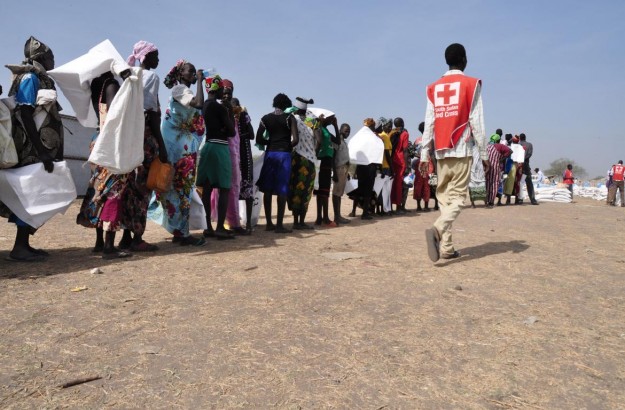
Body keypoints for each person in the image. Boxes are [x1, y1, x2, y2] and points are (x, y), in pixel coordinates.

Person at [420, 43, 489, 262]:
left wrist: (424, 155)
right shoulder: (470, 84)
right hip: (460, 148)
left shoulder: (434, 87)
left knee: (444, 200)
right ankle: (438, 230)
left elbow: (429, 122)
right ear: (463, 60)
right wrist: (484, 154)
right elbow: (476, 121)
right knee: (459, 198)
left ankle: (447, 248)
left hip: (440, 151)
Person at [1, 37, 63, 261]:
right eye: (50, 56)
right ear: (40, 58)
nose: (53, 60)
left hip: (39, 148)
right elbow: (26, 114)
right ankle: (19, 247)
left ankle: (25, 244)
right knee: (30, 195)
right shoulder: (30, 78)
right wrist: (41, 150)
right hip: (32, 149)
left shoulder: (41, 79)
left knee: (35, 195)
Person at [77, 71, 134, 258]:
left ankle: (99, 241)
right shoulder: (112, 85)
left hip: (97, 140)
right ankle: (109, 246)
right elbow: (115, 117)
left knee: (100, 189)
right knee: (114, 191)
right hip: (110, 143)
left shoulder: (96, 86)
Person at [149, 60, 206, 245]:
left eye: (193, 72)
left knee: (183, 189)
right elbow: (198, 103)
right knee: (181, 188)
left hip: (184, 149)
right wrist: (199, 81)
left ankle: (180, 231)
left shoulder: (184, 91)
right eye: (190, 71)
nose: (193, 74)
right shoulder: (179, 90)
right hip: (178, 150)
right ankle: (181, 234)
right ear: (181, 74)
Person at [119, 41, 168, 252]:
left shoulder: (129, 74)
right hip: (146, 138)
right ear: (146, 57)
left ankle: (126, 236)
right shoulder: (151, 77)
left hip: (129, 137)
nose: (158, 60)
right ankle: (138, 237)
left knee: (130, 187)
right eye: (155, 56)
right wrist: (161, 146)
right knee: (143, 188)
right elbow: (152, 113)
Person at [197, 75, 236, 239]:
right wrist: (230, 112)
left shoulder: (205, 105)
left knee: (207, 188)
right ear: (217, 89)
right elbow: (232, 131)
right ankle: (220, 227)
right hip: (220, 147)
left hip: (207, 146)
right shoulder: (220, 108)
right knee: (224, 187)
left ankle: (208, 227)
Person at [256, 93, 299, 233]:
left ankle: (269, 223)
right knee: (282, 189)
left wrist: (271, 142)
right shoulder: (290, 118)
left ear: (274, 104)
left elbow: (259, 139)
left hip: (270, 154)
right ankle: (279, 225)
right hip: (284, 155)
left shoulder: (265, 118)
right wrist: (287, 145)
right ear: (286, 105)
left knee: (267, 189)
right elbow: (296, 139)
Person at [213, 79, 249, 235]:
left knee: (233, 187)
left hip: (234, 152)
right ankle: (232, 224)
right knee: (225, 188)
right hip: (223, 150)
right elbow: (228, 131)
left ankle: (231, 222)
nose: (227, 95)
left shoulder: (235, 111)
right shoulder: (219, 108)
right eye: (224, 92)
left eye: (229, 92)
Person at [288, 97, 318, 230]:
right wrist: (313, 152)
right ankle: (301, 221)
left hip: (295, 158)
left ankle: (295, 221)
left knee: (295, 188)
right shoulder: (312, 121)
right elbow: (320, 140)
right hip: (310, 161)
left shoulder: (292, 119)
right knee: (306, 190)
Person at [348, 118, 379, 220]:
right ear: (371, 126)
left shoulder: (358, 136)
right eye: (373, 126)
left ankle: (353, 211)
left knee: (359, 189)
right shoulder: (374, 137)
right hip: (370, 167)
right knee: (368, 190)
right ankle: (365, 213)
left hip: (360, 166)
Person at [232, 97, 255, 232]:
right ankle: (235, 223)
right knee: (233, 189)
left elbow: (251, 134)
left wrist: (239, 136)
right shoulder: (227, 114)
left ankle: (248, 225)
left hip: (243, 154)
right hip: (235, 153)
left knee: (246, 188)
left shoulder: (243, 116)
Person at [314, 113, 339, 227]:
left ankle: (322, 217)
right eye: (330, 118)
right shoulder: (319, 128)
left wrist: (335, 126)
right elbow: (318, 142)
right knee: (322, 190)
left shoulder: (327, 131)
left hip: (327, 161)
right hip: (322, 160)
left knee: (323, 190)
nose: (332, 119)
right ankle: (323, 217)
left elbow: (337, 141)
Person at [485, 133, 511, 207]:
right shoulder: (500, 146)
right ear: (499, 140)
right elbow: (510, 151)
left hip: (487, 167)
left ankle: (487, 200)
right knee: (494, 184)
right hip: (495, 167)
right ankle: (491, 202)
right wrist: (502, 158)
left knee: (487, 183)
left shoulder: (487, 146)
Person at [332, 123, 351, 225]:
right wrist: (334, 172)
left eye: (348, 131)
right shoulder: (337, 141)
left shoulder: (344, 142)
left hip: (344, 170)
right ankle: (336, 216)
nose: (347, 133)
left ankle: (338, 215)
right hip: (339, 169)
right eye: (346, 130)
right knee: (336, 193)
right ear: (340, 130)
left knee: (339, 194)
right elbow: (333, 157)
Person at [391, 117, 410, 213]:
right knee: (400, 184)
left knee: (393, 184)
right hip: (402, 161)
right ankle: (399, 207)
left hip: (394, 160)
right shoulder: (405, 134)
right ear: (403, 123)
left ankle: (390, 207)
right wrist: (406, 165)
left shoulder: (393, 133)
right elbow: (405, 150)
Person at [412, 122, 432, 211]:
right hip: (428, 164)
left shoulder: (417, 140)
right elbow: (433, 154)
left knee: (418, 184)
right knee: (427, 185)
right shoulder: (431, 140)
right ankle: (426, 206)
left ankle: (418, 206)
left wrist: (419, 157)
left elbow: (413, 153)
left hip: (418, 164)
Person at [519, 133, 538, 205]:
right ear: (525, 138)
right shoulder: (530, 145)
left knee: (519, 183)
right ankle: (533, 199)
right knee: (529, 182)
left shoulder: (517, 144)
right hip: (526, 165)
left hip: (518, 165)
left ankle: (520, 199)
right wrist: (524, 159)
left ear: (520, 138)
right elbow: (529, 154)